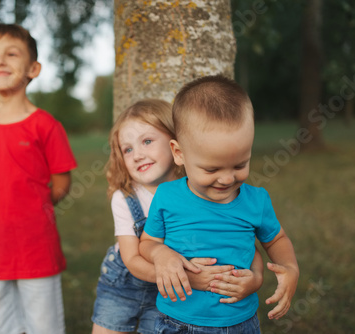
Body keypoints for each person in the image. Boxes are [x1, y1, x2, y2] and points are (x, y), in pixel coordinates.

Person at [140, 75, 300, 333]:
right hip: (176, 321)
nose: (227, 178)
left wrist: (290, 269)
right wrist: (162, 255)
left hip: (240, 323)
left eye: (240, 165)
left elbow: (276, 239)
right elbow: (148, 242)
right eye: (212, 168)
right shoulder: (167, 196)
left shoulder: (256, 200)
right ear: (179, 153)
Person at [91, 99, 265, 334]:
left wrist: (255, 277)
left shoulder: (203, 190)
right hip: (125, 283)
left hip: (174, 295)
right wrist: (185, 278)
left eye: (147, 141)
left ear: (176, 146)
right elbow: (132, 259)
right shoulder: (125, 198)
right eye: (128, 149)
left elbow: (242, 240)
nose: (137, 155)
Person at [0, 23, 77, 334]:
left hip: (36, 246)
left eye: (11, 54)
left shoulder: (45, 126)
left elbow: (62, 182)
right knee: (6, 322)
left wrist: (37, 206)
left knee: (44, 325)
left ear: (33, 68)